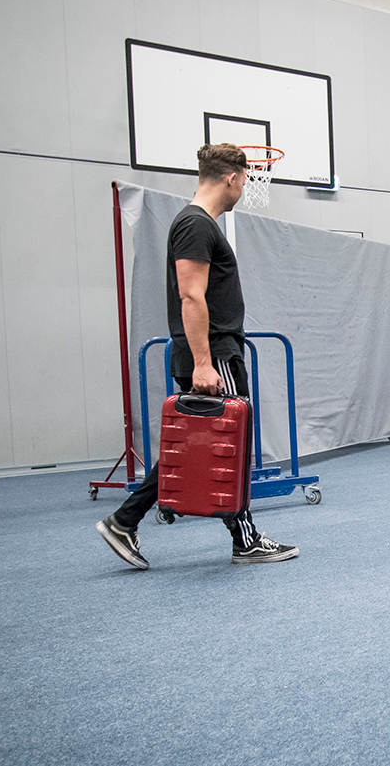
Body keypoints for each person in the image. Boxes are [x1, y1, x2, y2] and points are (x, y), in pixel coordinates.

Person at [96, 143, 299, 568]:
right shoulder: (195, 224)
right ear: (232, 178)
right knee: (232, 443)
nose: (243, 188)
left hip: (214, 351)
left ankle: (124, 520)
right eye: (244, 180)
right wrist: (205, 363)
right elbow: (191, 296)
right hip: (214, 353)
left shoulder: (197, 224)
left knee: (194, 446)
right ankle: (245, 540)